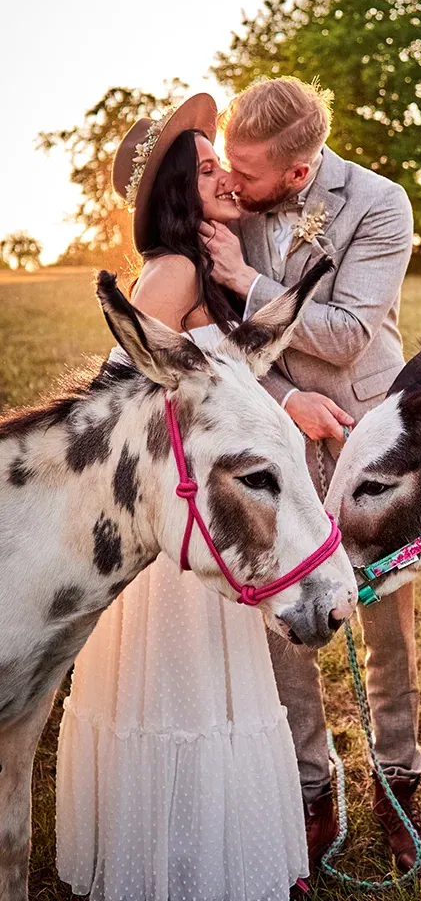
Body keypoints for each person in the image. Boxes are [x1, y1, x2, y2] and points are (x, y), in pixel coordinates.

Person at [55, 93, 309, 901]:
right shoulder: (172, 274)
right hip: (176, 520)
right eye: (206, 170)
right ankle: (176, 870)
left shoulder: (208, 269)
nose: (226, 176)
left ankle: (220, 857)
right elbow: (109, 400)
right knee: (179, 692)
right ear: (176, 190)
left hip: (210, 511)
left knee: (216, 685)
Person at [201, 77, 421, 883]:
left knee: (386, 634)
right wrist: (282, 400)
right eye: (227, 162)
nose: (230, 180)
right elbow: (221, 343)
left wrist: (246, 279)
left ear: (299, 175)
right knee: (285, 625)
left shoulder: (381, 204)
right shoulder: (227, 210)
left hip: (366, 444)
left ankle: (398, 786)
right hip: (272, 439)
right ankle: (310, 789)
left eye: (248, 170)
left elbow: (343, 335)